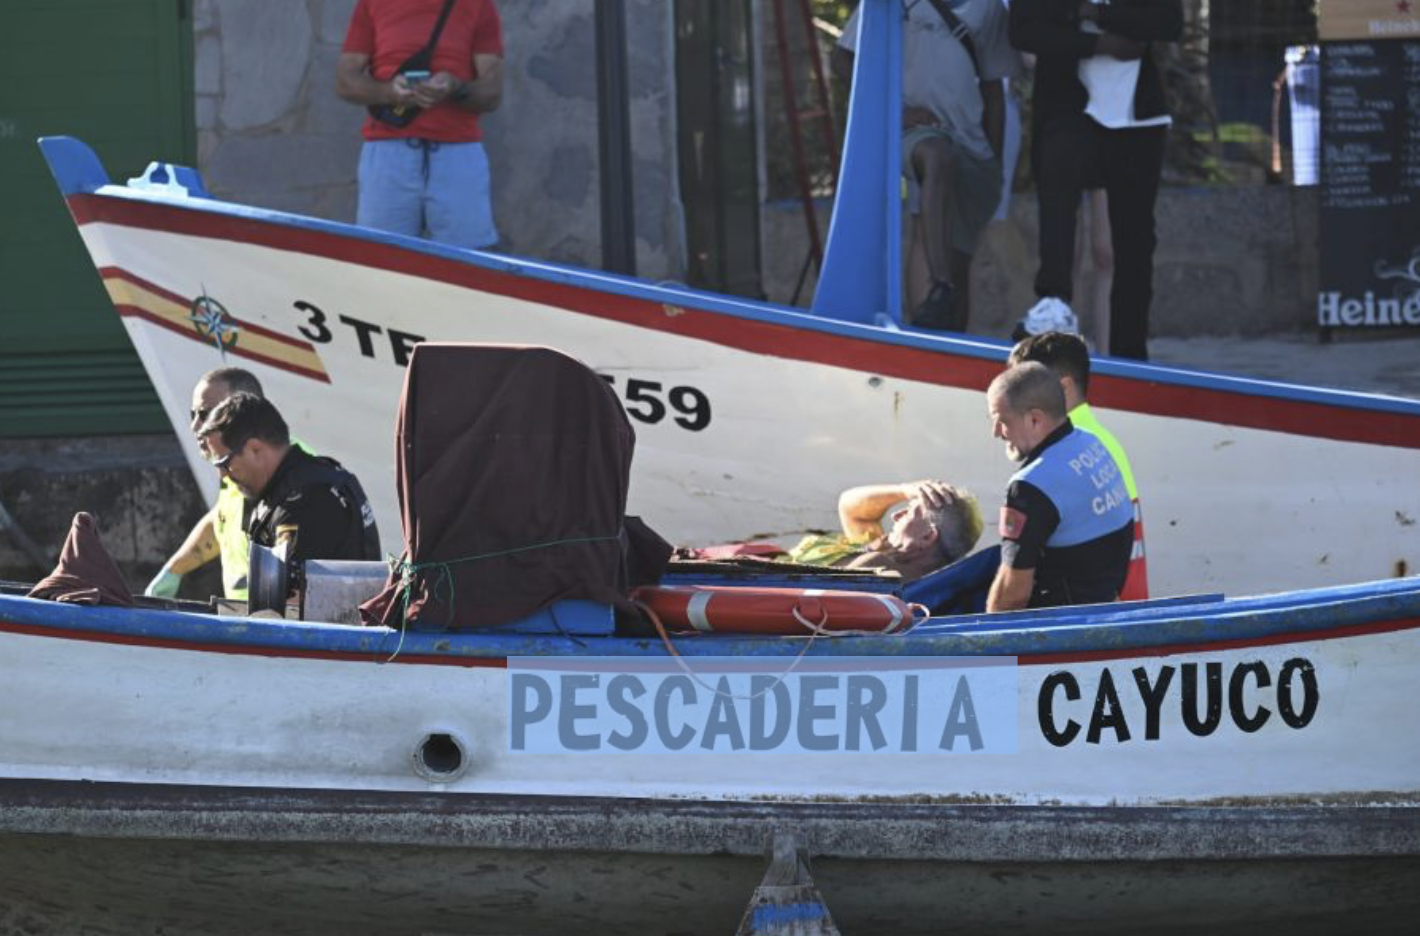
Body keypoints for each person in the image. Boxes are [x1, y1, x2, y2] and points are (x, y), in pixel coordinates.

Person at [833, 0, 1022, 331]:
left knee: (960, 252)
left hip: (969, 137)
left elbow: (993, 87)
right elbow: (843, 58)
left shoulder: (989, 7)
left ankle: (952, 344)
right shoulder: (887, 4)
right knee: (936, 160)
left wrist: (993, 160)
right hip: (913, 129)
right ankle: (939, 285)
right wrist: (896, 110)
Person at [1010, 0, 1183, 360]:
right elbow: (1025, 30)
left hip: (1138, 118)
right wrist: (1099, 44)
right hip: (1067, 106)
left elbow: (1167, 21)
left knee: (1133, 240)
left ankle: (1129, 351)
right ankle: (1052, 305)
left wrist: (1099, 14)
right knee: (1058, 198)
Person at [335, 0, 504, 249]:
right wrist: (388, 92)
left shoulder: (479, 4)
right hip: (388, 154)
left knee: (468, 269)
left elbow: (492, 93)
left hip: (457, 154)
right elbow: (345, 82)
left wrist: (455, 88)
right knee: (381, 266)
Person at [1008, 330, 1147, 598]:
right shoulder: (1098, 440)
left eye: (1024, 390)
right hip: (1122, 607)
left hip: (1104, 616)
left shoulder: (1061, 449)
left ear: (1062, 388)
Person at [984, 362, 1132, 611]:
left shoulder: (1030, 486)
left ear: (1034, 420)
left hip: (1063, 629)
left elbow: (1012, 596)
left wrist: (982, 644)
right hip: (1106, 604)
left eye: (1001, 421)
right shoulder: (1091, 442)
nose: (996, 432)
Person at [197, 394, 381, 566]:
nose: (223, 475)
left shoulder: (306, 500)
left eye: (224, 463)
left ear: (255, 449)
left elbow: (293, 597)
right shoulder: (311, 480)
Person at [145, 367, 268, 600]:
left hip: (278, 630)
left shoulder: (288, 475)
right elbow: (223, 518)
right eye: (194, 415)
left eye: (206, 414)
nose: (195, 427)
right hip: (247, 626)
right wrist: (174, 570)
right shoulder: (235, 471)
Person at [785, 480, 983, 581]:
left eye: (910, 512)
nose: (895, 515)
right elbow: (849, 506)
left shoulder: (878, 566)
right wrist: (905, 490)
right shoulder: (879, 549)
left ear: (927, 536)